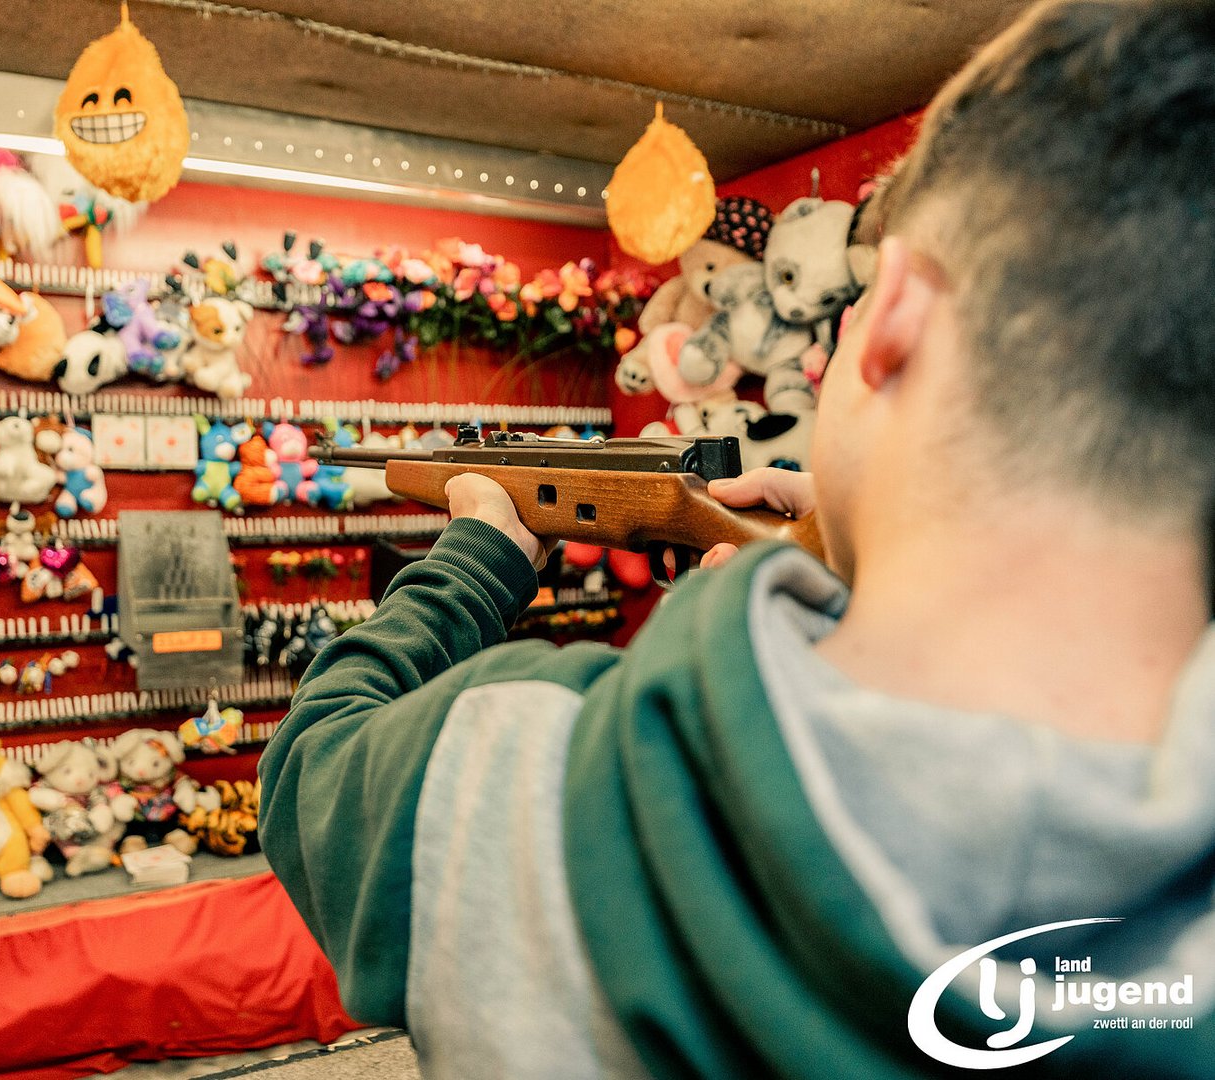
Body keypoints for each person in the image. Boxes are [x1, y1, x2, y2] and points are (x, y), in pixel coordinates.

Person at [258, 1, 1215, 1076]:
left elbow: (309, 768)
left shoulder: (522, 770)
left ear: (897, 315)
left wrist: (476, 562)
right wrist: (848, 554)